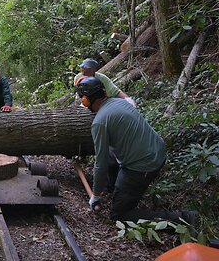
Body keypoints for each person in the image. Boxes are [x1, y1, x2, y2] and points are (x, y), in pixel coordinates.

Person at [76, 76, 197, 225]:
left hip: (143, 165)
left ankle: (182, 218)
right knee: (110, 153)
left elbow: (100, 164)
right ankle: (116, 188)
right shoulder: (121, 102)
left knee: (120, 214)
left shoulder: (99, 122)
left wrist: (95, 195)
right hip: (157, 150)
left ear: (86, 100)